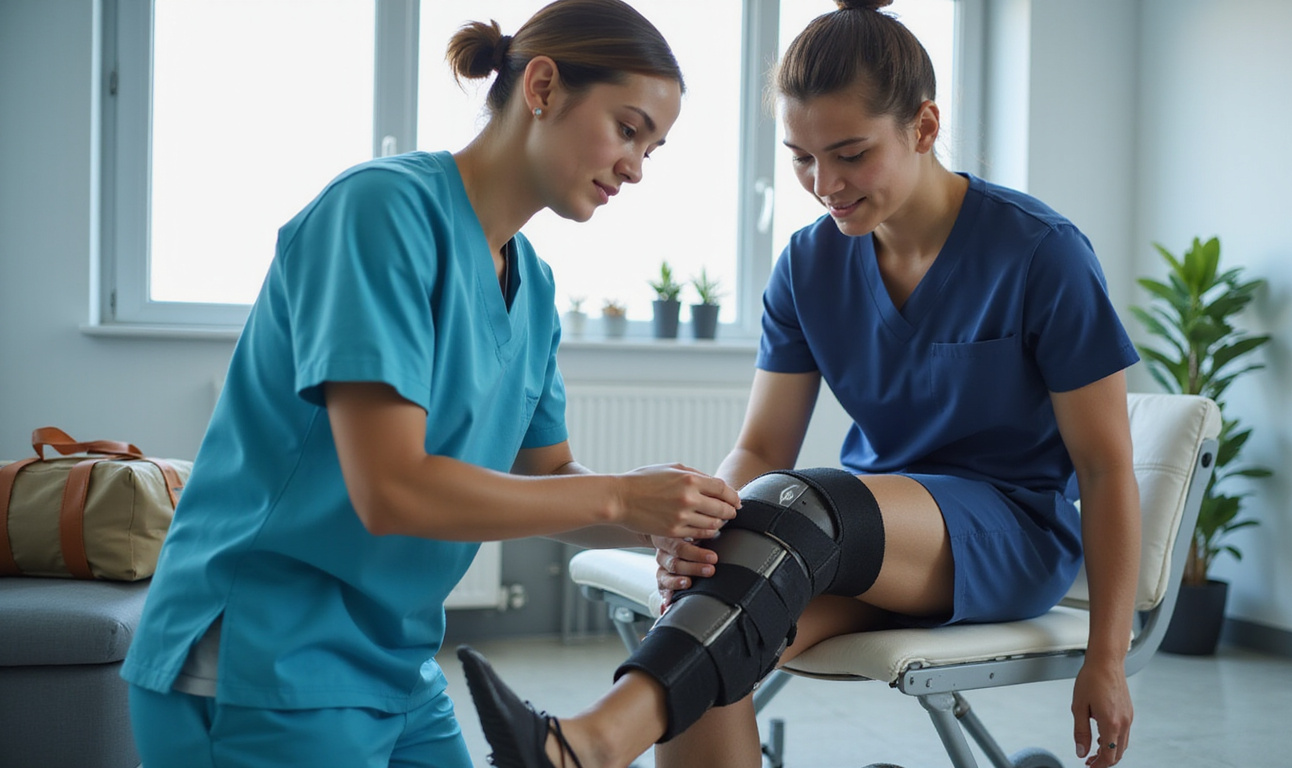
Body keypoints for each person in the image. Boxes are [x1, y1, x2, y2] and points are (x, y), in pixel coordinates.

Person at [455, 1, 1142, 767]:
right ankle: (580, 747)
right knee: (714, 619)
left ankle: (590, 741)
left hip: (1008, 537)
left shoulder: (1040, 253)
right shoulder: (809, 264)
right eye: (802, 158)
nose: (825, 184)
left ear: (923, 126)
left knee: (802, 503)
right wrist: (701, 534)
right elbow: (757, 446)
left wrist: (1107, 656)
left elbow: (1107, 469)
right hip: (862, 536)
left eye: (850, 153)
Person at [117, 2, 743, 766]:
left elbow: (547, 476)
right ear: (541, 86)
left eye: (654, 148)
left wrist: (656, 523)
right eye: (627, 128)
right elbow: (392, 490)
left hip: (396, 665)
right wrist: (620, 496)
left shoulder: (534, 287)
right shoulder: (380, 213)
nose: (636, 167)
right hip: (264, 655)